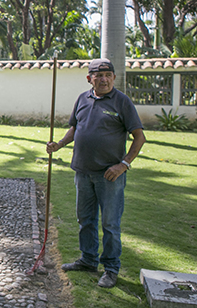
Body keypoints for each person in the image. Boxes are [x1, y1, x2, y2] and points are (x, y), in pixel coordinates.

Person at [46, 58, 146, 288]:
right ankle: (88, 260)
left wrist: (123, 164)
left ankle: (110, 269)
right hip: (83, 171)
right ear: (89, 78)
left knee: (110, 224)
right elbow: (75, 127)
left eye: (108, 75)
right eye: (98, 75)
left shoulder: (122, 102)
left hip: (109, 175)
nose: (104, 79)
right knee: (85, 220)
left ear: (113, 77)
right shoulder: (82, 98)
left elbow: (139, 137)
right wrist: (59, 145)